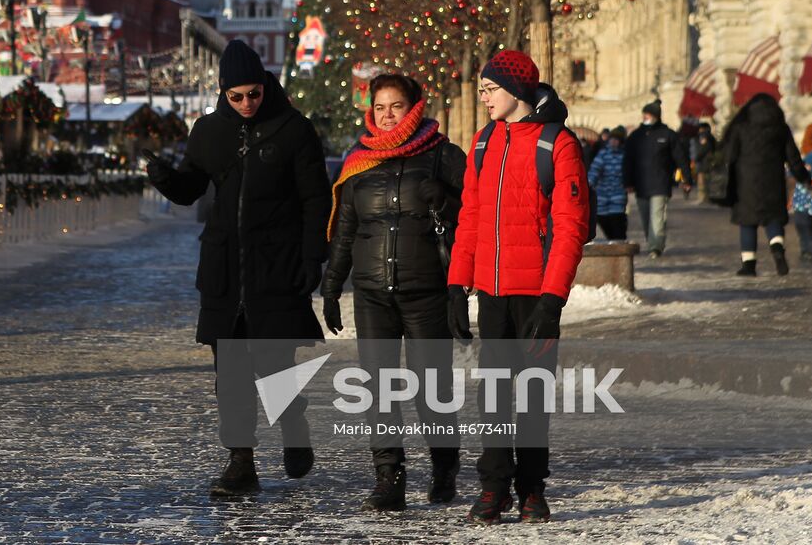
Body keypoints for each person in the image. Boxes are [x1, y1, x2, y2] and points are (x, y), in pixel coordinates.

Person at [144, 39, 331, 497]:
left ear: (266, 85)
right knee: (229, 376)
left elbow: (315, 198)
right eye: (237, 96)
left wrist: (313, 257)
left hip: (276, 267)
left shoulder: (293, 129)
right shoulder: (208, 132)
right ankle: (240, 463)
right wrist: (168, 180)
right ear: (223, 92)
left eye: (254, 93)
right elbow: (192, 187)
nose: (247, 103)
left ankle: (293, 424)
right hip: (224, 270)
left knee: (273, 368)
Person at [447, 50, 589, 525]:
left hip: (537, 293)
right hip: (491, 290)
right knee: (494, 394)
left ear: (515, 90)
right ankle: (493, 487)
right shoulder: (484, 142)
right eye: (482, 89)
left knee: (530, 394)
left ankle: (531, 488)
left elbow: (571, 226)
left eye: (489, 88)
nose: (483, 96)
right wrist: (457, 283)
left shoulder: (558, 145)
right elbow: (470, 216)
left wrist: (553, 300)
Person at [321, 73, 466, 511]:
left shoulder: (443, 155)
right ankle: (389, 477)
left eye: (395, 106)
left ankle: (444, 465)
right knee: (379, 388)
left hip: (426, 291)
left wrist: (444, 199)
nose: (386, 116)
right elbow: (346, 228)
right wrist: (331, 286)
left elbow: (470, 219)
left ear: (414, 107)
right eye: (379, 107)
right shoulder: (358, 161)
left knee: (430, 389)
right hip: (371, 294)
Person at [721, 94, 811, 276]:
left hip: (745, 180)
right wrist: (803, 176)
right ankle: (777, 247)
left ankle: (749, 264)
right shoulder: (780, 128)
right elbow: (792, 157)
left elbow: (728, 155)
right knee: (773, 218)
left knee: (747, 221)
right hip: (773, 179)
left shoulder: (740, 126)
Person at [622, 100, 692, 258]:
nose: (645, 117)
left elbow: (680, 158)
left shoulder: (667, 134)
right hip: (641, 184)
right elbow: (628, 160)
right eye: (644, 114)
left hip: (661, 183)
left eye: (648, 114)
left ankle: (656, 246)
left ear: (655, 116)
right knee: (646, 217)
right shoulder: (636, 136)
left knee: (657, 217)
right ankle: (651, 241)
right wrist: (627, 182)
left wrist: (687, 178)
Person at [790, 117, 812, 261]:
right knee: (804, 223)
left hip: (808, 194)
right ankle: (808, 248)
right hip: (804, 194)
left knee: (804, 223)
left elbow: (799, 170)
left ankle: (811, 249)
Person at [587, 126, 629, 240]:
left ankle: (620, 243)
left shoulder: (624, 156)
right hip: (602, 194)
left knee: (617, 221)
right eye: (612, 139)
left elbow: (629, 173)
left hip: (618, 194)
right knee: (603, 219)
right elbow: (595, 170)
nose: (613, 142)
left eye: (616, 140)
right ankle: (613, 240)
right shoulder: (603, 154)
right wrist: (589, 183)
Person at [688, 122, 718, 203]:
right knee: (704, 181)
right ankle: (704, 198)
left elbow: (703, 148)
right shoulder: (710, 136)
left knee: (702, 182)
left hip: (703, 163)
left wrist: (696, 157)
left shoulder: (704, 136)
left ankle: (703, 198)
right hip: (706, 162)